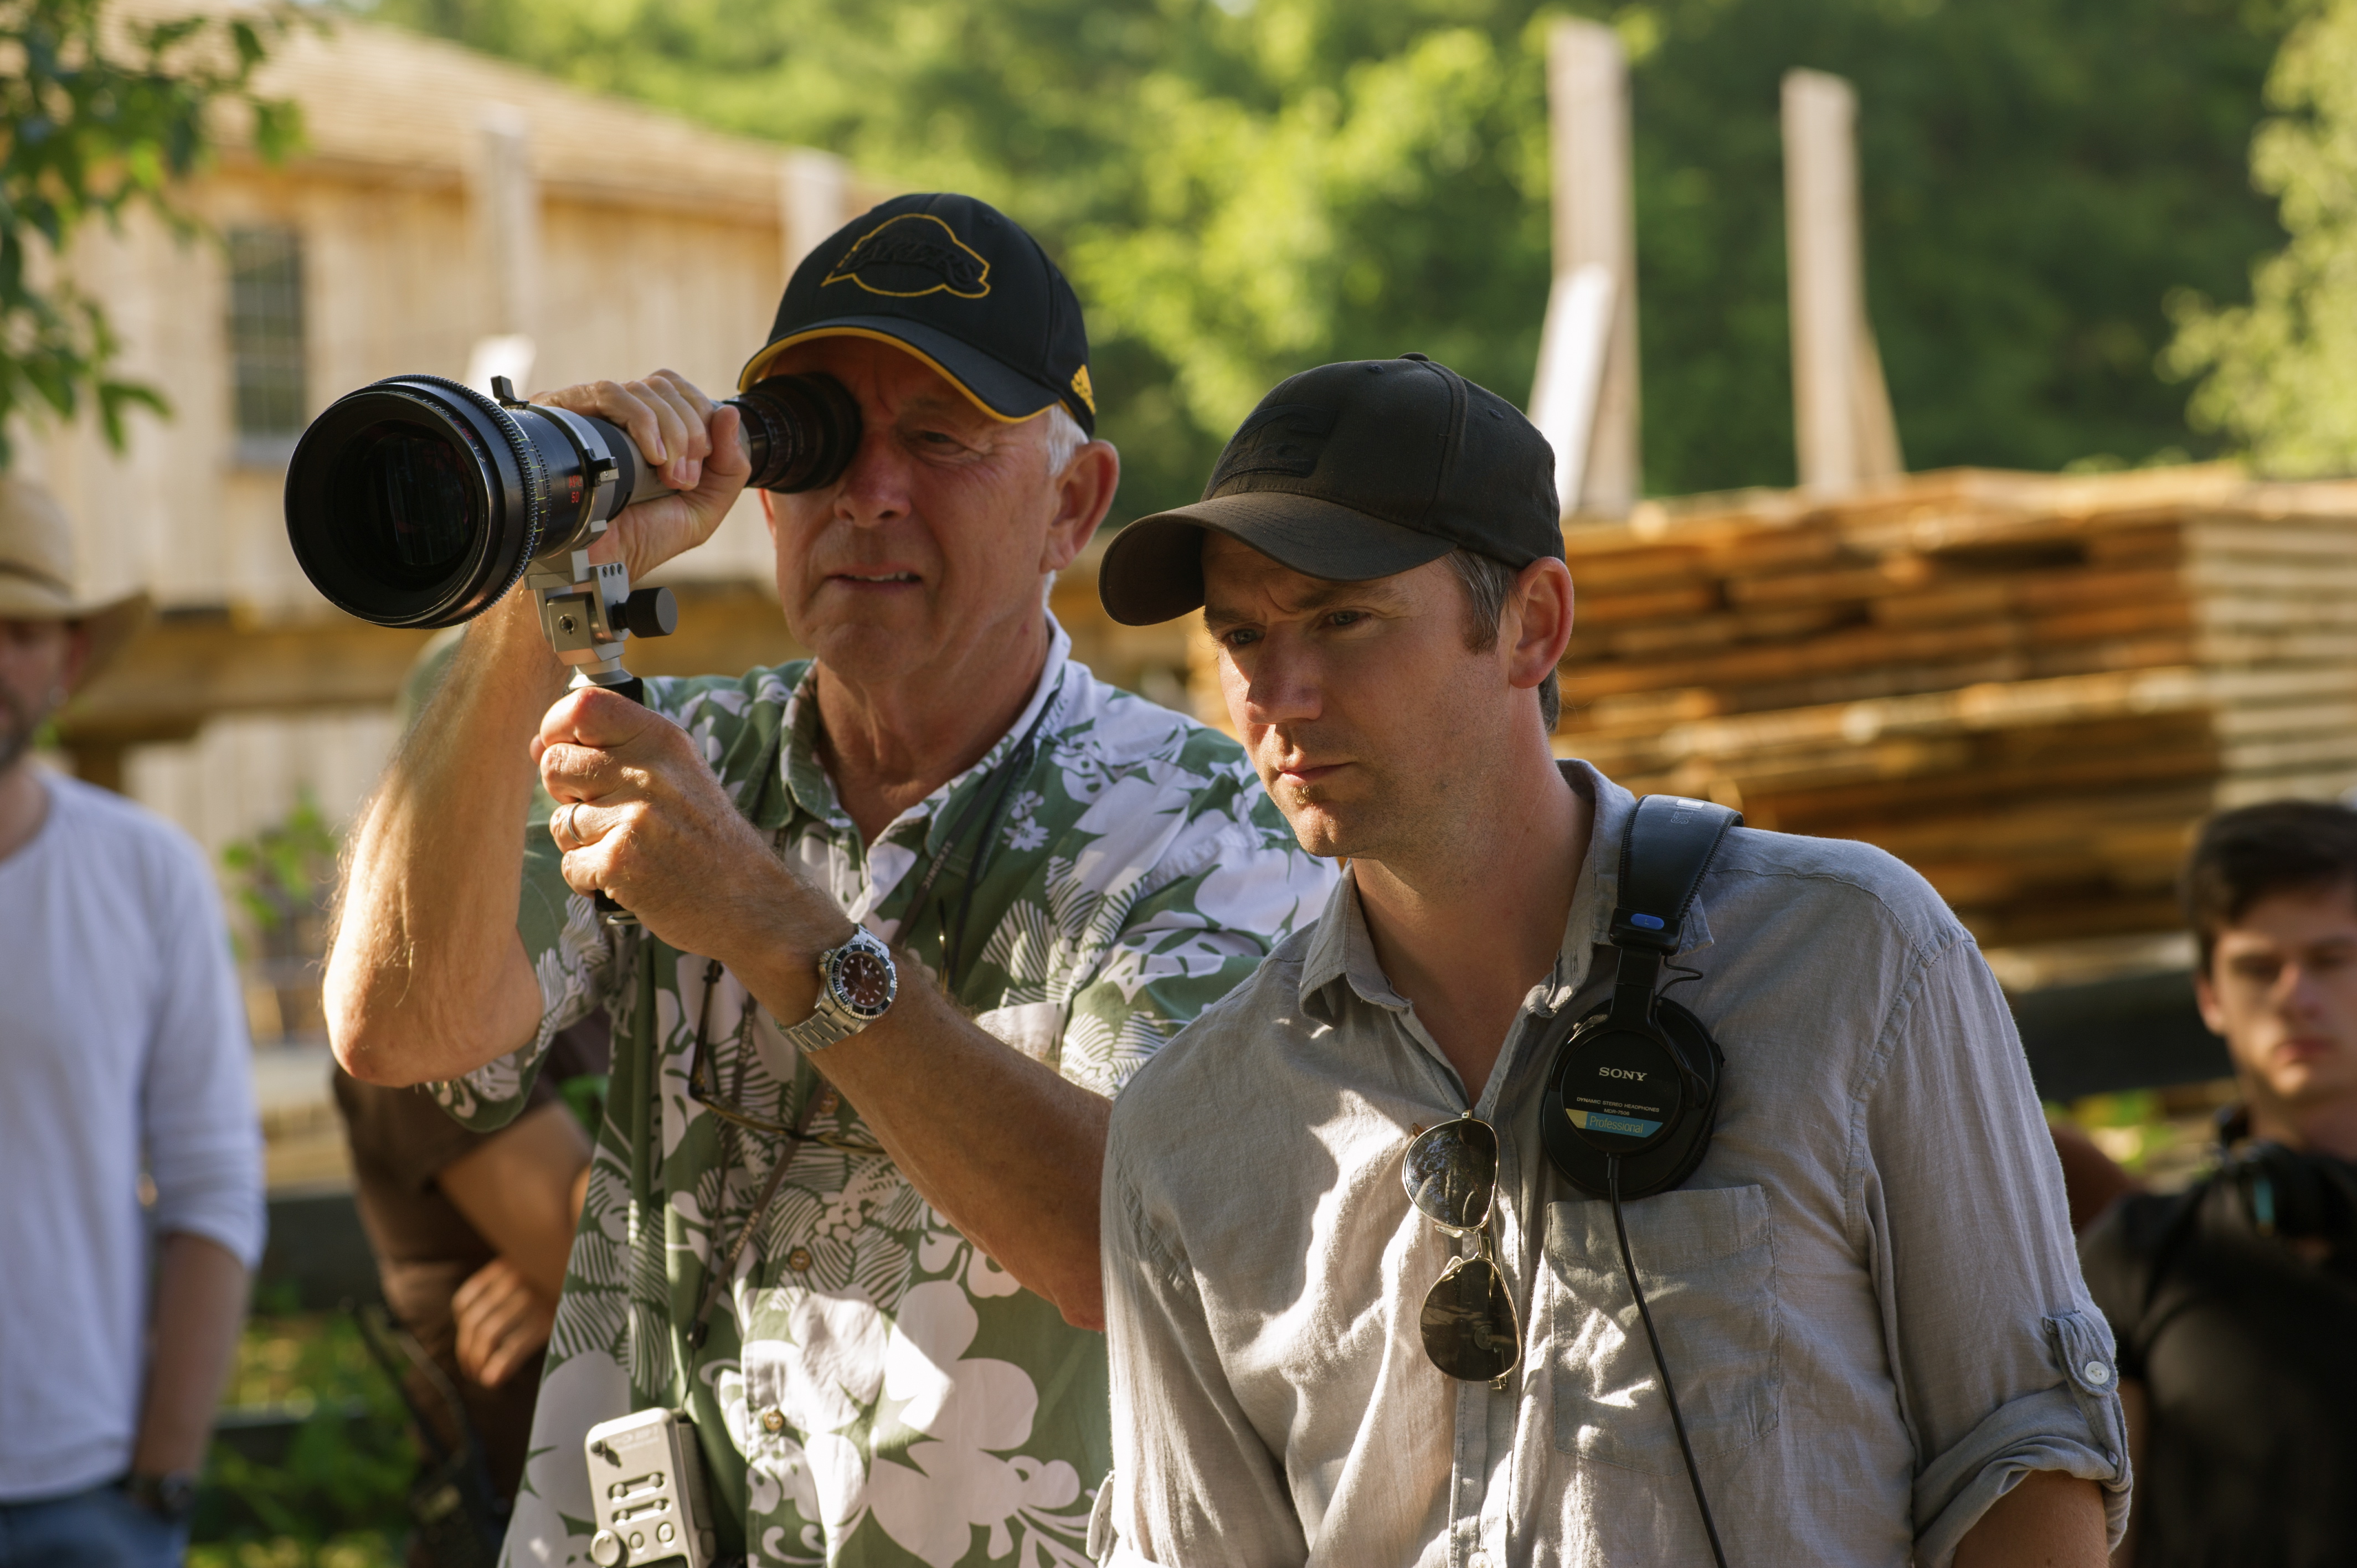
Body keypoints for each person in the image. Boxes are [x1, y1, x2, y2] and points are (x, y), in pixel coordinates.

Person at [324, 193, 1334, 1567]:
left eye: (941, 439)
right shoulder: (691, 756)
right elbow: (401, 1022)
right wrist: (537, 579)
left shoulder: (1195, 832)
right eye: (820, 440)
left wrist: (776, 926)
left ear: (1074, 505)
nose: (869, 492)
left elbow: (1136, 1254)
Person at [1091, 355, 2127, 1567]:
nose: (1280, 691)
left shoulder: (1853, 960)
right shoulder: (1186, 1129)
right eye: (1242, 635)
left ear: (1532, 623)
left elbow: (2024, 1464)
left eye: (1342, 619)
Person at [0, 476, 265, 1565]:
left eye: (16, 629)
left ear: (65, 661)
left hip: (89, 1498)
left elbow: (211, 1184)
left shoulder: (146, 872)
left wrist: (158, 1480)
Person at [2079, 800, 2357, 1567]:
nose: (2296, 995)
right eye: (2259, 967)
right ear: (2210, 995)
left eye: (2333, 958)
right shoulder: (2132, 1261)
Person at [330, 1010, 606, 1537]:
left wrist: (570, 1284)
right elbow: (612, 1260)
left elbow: (613, 1256)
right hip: (528, 1512)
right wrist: (580, 1275)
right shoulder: (427, 1013)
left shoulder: (638, 989)